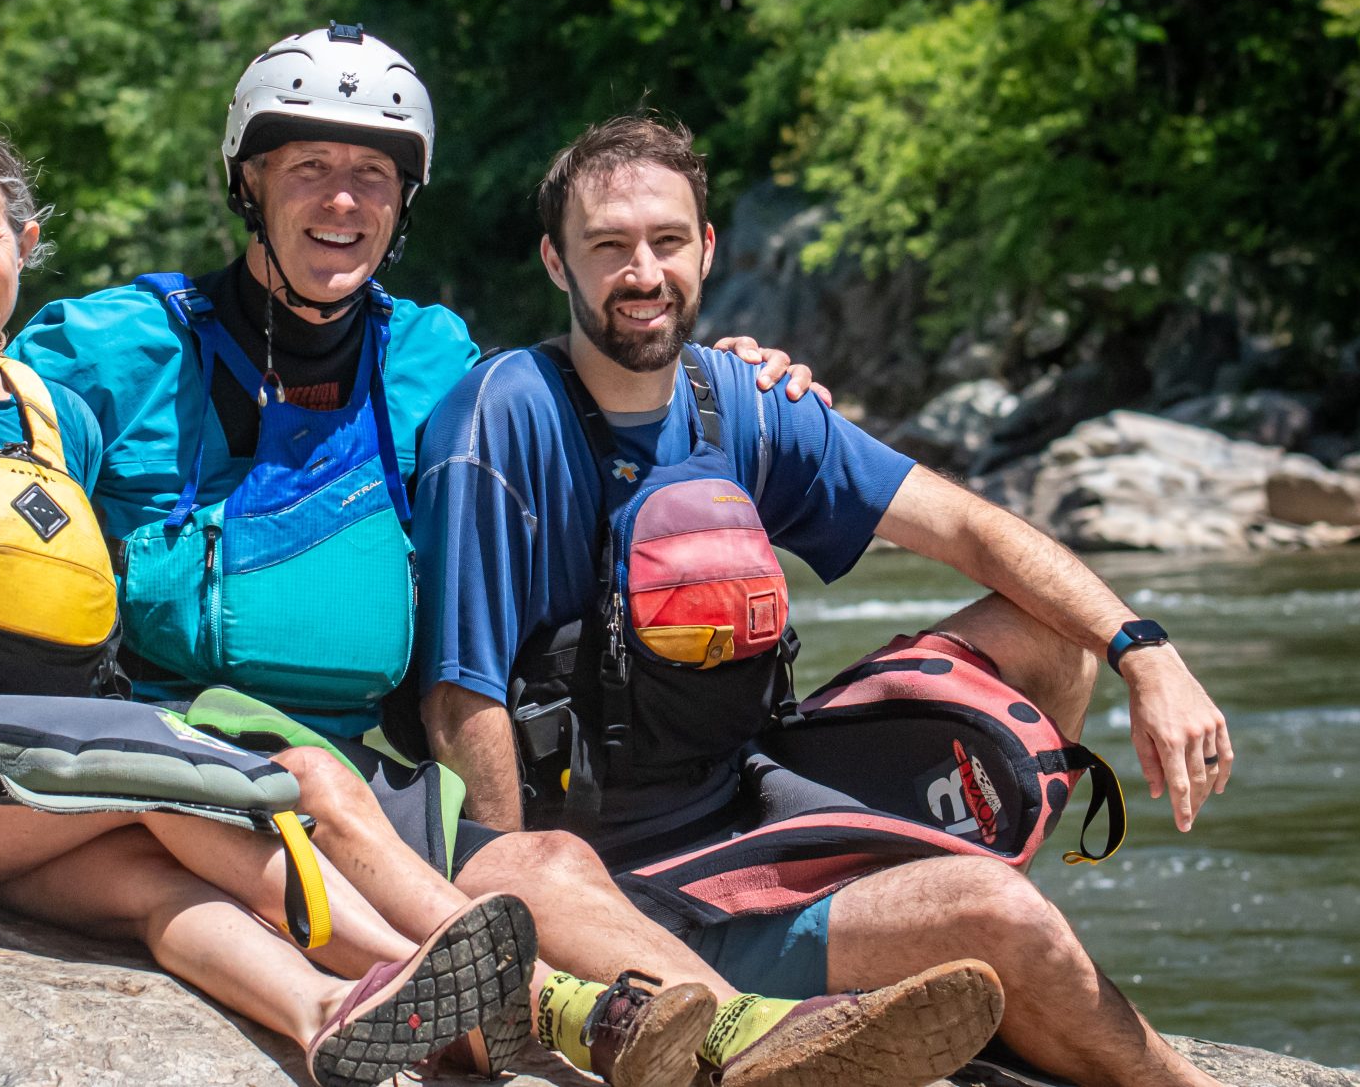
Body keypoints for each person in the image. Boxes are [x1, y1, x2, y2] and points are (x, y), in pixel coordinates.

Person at [0, 28, 1007, 1087]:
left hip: (379, 785)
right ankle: (634, 1030)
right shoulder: (115, 347)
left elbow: (605, 395)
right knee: (314, 804)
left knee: (545, 865)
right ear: (249, 184)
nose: (342, 200)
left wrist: (740, 375)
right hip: (175, 765)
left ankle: (741, 1036)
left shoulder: (435, 359)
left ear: (404, 201)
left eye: (373, 176)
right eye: (309, 168)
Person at [0, 99, 541, 1087]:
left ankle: (330, 1012)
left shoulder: (64, 420)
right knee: (175, 780)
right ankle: (429, 973)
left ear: (24, 247)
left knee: (154, 886)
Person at [411, 113, 1235, 1087]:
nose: (643, 273)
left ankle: (940, 951)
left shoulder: (743, 399)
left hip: (757, 801)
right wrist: (522, 941)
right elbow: (460, 699)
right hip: (625, 880)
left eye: (667, 241)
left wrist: (1144, 651)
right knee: (997, 915)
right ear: (556, 261)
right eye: (608, 246)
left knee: (1050, 635)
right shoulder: (503, 417)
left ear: (706, 249)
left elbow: (969, 529)